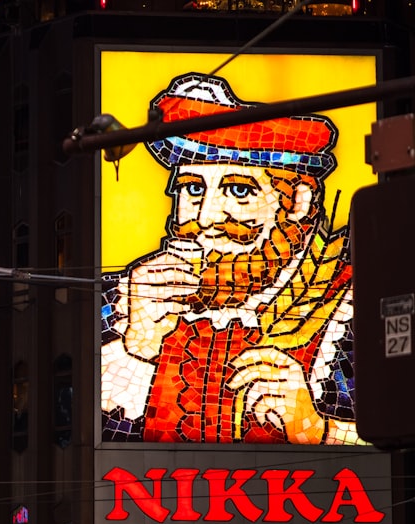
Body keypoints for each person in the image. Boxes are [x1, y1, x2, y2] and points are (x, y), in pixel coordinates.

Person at [101, 72, 357, 445]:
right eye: (192, 189)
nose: (206, 218)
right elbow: (75, 443)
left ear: (299, 201)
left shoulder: (354, 306)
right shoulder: (121, 300)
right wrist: (135, 349)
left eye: (239, 190)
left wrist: (319, 429)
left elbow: (400, 447)